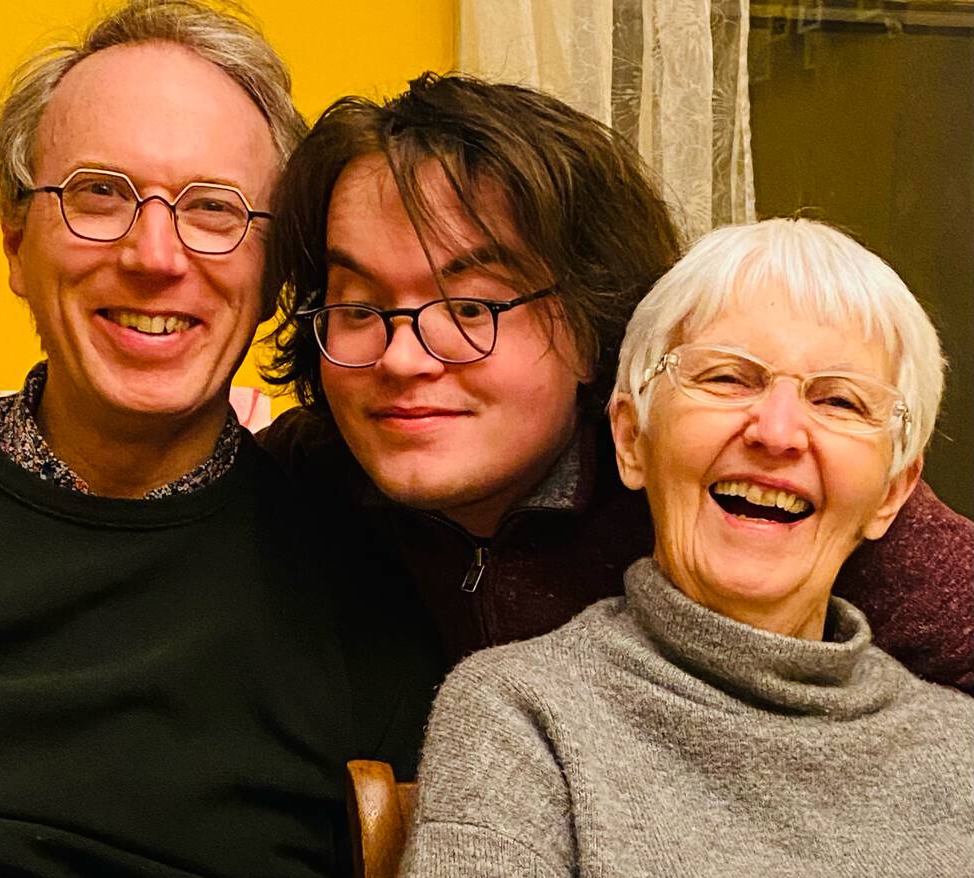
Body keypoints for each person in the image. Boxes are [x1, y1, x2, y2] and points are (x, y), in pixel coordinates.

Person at [375, 217, 974, 878]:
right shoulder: (523, 711)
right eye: (726, 377)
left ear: (892, 490)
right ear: (631, 437)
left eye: (841, 402)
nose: (776, 430)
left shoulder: (960, 746)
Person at [0, 3, 433, 878]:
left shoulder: (357, 575)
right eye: (100, 195)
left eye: (215, 211)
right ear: (14, 241)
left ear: (274, 270)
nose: (155, 254)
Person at [263, 73, 973, 711]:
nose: (403, 357)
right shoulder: (307, 482)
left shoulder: (716, 476)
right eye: (357, 308)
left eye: (471, 308)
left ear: (589, 317)